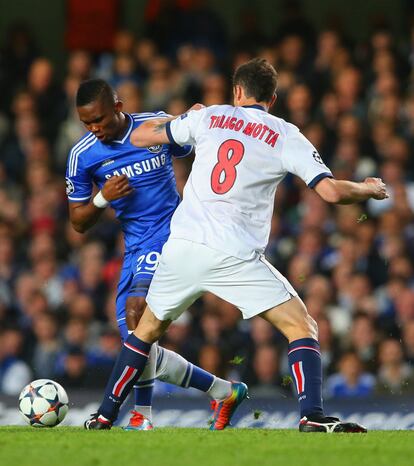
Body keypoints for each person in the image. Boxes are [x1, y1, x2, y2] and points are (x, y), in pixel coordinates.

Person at [85, 59, 388, 432]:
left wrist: (183, 119)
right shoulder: (285, 133)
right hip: (233, 253)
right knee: (301, 326)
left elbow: (142, 136)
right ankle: (311, 415)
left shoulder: (210, 116)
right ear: (272, 98)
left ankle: (103, 414)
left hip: (183, 247)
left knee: (144, 332)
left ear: (238, 92)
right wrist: (369, 189)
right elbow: (329, 191)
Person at [66, 79, 240, 430]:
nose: (94, 128)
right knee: (135, 341)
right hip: (136, 245)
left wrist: (193, 119)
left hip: (173, 233)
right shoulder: (82, 155)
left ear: (117, 104)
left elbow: (190, 143)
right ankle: (224, 390)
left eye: (99, 119)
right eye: (87, 123)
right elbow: (78, 222)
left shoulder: (153, 126)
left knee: (137, 314)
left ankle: (140, 415)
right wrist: (103, 198)